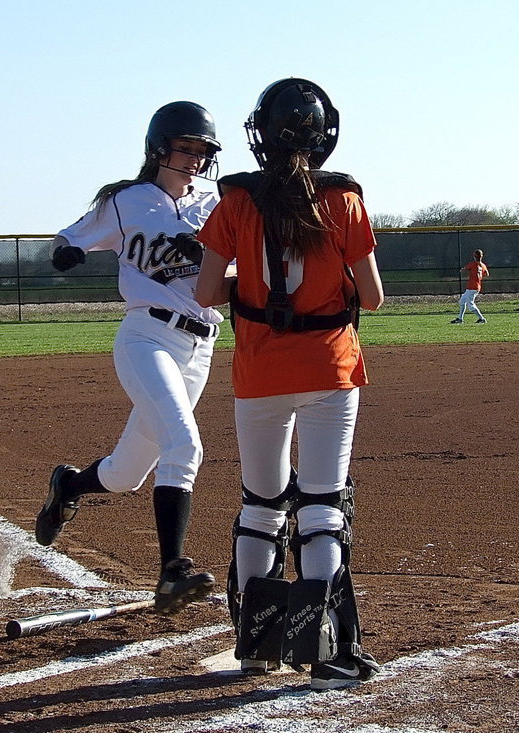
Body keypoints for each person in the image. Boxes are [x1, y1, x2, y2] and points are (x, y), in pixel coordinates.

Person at [194, 77, 384, 690]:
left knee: (261, 504)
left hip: (260, 372)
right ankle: (324, 648)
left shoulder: (235, 202)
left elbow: (204, 294)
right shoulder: (345, 201)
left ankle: (255, 645)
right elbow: (374, 298)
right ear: (325, 134)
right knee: (323, 507)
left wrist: (249, 289)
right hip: (330, 370)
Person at [35, 101, 224, 615]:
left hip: (200, 347)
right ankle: (172, 572)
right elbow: (70, 236)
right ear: (159, 148)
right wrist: (67, 252)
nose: (193, 158)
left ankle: (68, 485)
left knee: (125, 474)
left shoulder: (215, 205)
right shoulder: (128, 200)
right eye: (184, 147)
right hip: (147, 339)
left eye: (201, 150)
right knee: (183, 447)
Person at [451, 248, 489, 324]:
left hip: (472, 287)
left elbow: (464, 269)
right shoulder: (483, 265)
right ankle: (460, 318)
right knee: (462, 301)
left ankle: (482, 319)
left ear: (475, 256)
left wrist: (463, 269)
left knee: (470, 305)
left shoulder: (473, 264)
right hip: (475, 286)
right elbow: (487, 274)